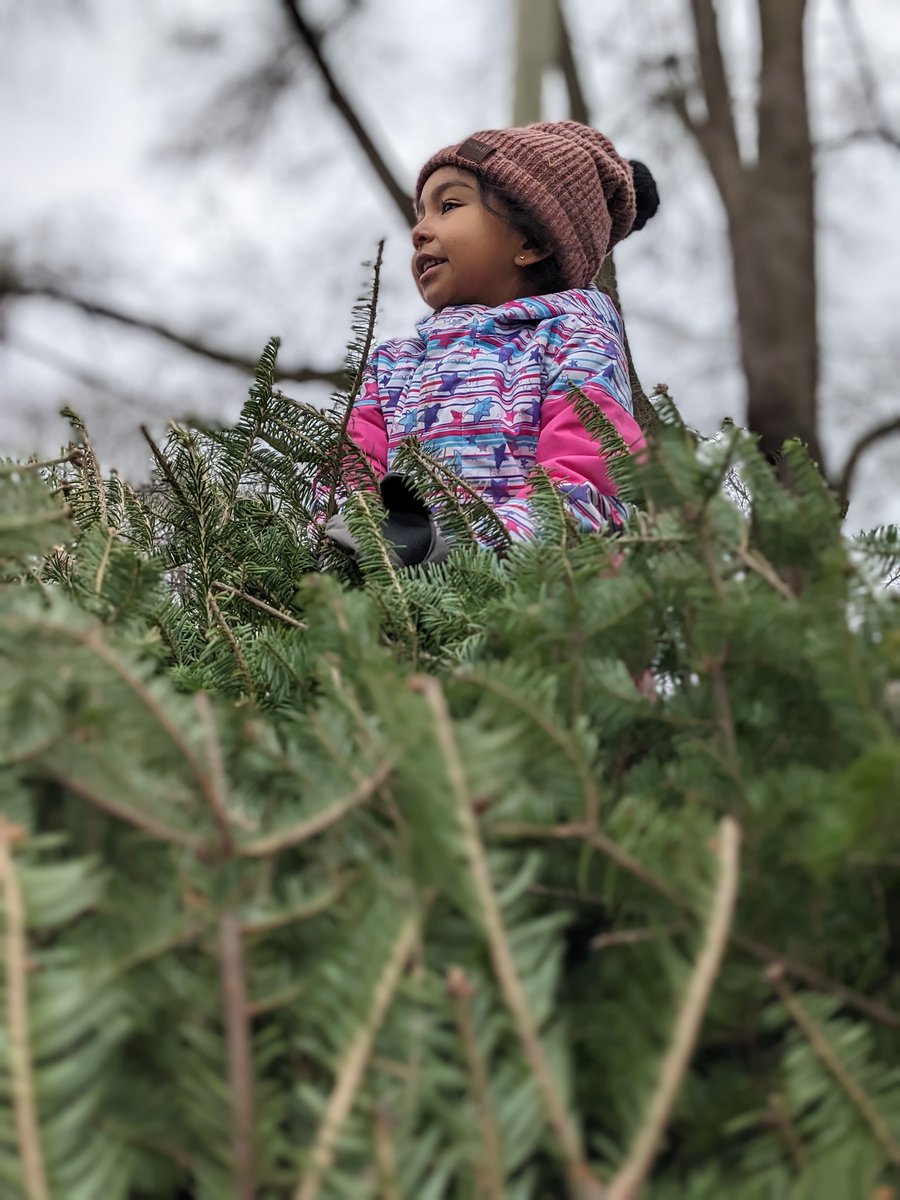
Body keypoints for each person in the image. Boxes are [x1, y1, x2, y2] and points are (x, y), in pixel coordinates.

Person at [326, 120, 659, 568]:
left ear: (532, 241)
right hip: (393, 603)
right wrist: (351, 538)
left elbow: (589, 481)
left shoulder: (572, 342)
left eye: (448, 205)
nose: (418, 231)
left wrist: (464, 547)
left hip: (533, 603)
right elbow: (352, 473)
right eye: (420, 214)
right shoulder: (394, 364)